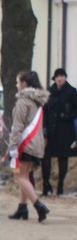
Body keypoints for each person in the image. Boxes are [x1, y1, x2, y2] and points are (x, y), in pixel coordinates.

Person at [6, 71, 50, 222]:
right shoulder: (38, 101)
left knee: (19, 176)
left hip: (25, 144)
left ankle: (38, 205)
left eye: (18, 82)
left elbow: (18, 125)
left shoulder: (23, 101)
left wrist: (12, 146)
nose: (16, 85)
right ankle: (22, 207)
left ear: (24, 84)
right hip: (35, 144)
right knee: (25, 175)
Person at [41, 68, 77, 196]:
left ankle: (60, 186)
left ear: (65, 77)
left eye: (62, 76)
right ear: (54, 78)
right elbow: (44, 110)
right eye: (57, 76)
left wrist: (67, 116)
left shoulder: (72, 92)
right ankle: (46, 185)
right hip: (50, 131)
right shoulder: (49, 92)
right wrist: (44, 127)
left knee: (63, 157)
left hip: (64, 130)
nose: (59, 78)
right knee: (45, 157)